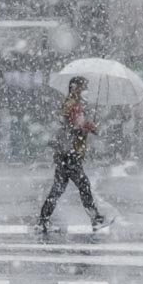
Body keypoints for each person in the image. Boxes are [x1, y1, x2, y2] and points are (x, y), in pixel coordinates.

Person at [36, 76, 111, 233]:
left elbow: (74, 126)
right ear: (75, 88)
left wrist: (87, 127)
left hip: (66, 153)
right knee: (83, 186)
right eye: (84, 88)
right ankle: (96, 219)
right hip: (69, 153)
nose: (86, 91)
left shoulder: (73, 104)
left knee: (58, 189)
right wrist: (87, 128)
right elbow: (72, 128)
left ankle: (43, 220)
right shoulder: (73, 105)